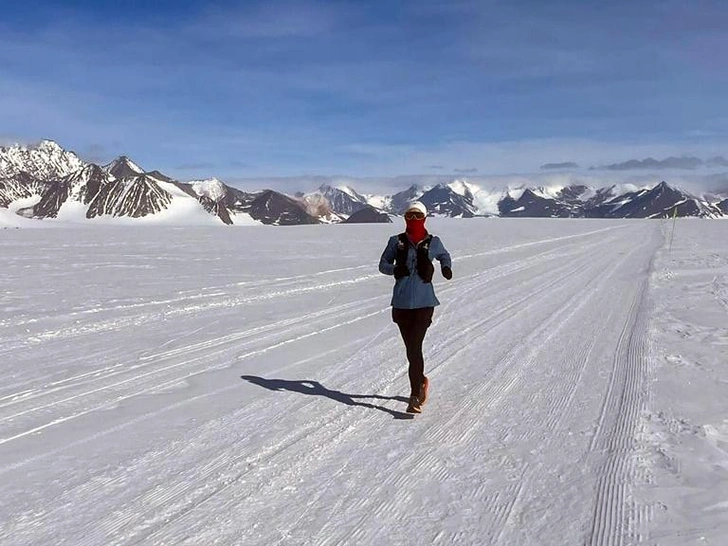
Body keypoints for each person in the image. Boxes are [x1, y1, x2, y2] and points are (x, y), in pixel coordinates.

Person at [378, 201, 452, 413]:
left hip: (424, 303)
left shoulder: (433, 242)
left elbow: (444, 255)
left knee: (414, 347)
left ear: (425, 218)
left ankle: (415, 395)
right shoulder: (396, 242)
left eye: (417, 215)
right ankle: (420, 381)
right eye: (409, 215)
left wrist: (445, 267)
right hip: (401, 305)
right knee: (411, 349)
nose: (413, 219)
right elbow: (382, 264)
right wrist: (395, 270)